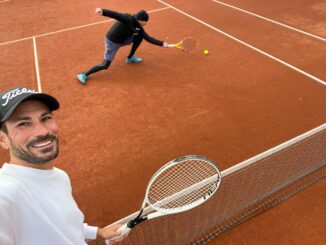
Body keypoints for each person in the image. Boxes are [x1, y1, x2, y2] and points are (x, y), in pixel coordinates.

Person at [0, 87, 126, 244]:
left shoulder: (59, 176)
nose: (42, 131)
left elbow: (61, 222)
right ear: (3, 139)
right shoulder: (5, 193)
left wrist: (97, 232)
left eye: (45, 118)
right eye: (24, 123)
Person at [76, 8, 173, 85]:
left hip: (124, 39)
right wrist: (102, 11)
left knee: (139, 37)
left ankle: (130, 58)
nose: (145, 25)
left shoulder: (139, 27)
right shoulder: (128, 18)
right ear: (139, 20)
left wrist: (163, 44)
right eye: (144, 23)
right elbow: (116, 14)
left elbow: (148, 38)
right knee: (105, 65)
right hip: (112, 42)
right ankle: (84, 75)